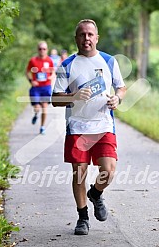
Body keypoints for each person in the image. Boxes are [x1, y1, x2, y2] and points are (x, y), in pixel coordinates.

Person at [51, 19, 126, 235]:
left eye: (90, 35)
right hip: (78, 127)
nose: (86, 38)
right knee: (79, 174)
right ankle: (82, 218)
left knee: (108, 171)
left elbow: (121, 88)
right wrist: (73, 96)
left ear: (97, 38)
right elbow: (55, 99)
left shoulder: (109, 61)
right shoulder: (67, 65)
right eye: (82, 35)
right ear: (76, 38)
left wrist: (117, 99)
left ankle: (96, 193)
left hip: (103, 125)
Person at [26, 41, 55, 134]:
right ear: (37, 50)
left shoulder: (49, 60)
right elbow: (27, 72)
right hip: (36, 88)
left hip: (46, 87)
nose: (42, 50)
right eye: (40, 49)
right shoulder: (33, 60)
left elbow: (53, 71)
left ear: (47, 50)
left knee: (44, 108)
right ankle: (36, 114)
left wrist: (52, 76)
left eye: (44, 49)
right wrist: (31, 81)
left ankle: (42, 127)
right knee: (37, 108)